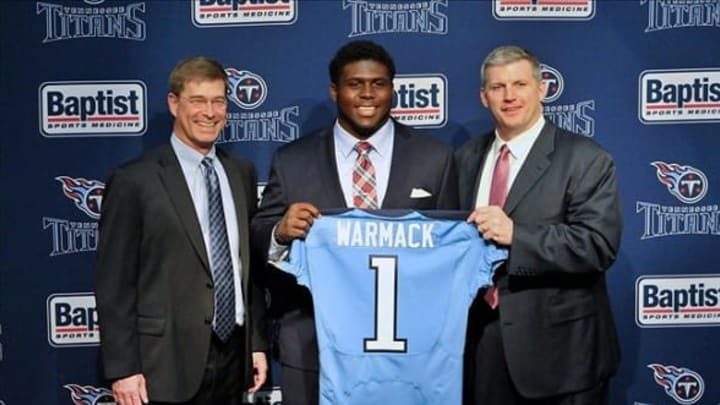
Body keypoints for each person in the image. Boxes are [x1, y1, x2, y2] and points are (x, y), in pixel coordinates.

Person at [251, 40, 459, 405]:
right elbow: (256, 237)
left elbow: (451, 256)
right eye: (355, 84)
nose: (367, 94)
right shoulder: (293, 160)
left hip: (411, 350)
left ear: (393, 89)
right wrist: (280, 232)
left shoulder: (435, 159)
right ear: (334, 91)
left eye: (378, 84)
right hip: (314, 344)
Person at [95, 56, 268, 405]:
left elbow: (247, 271)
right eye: (198, 100)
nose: (210, 112)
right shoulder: (135, 180)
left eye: (218, 101)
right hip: (164, 363)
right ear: (174, 104)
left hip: (233, 355)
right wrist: (123, 368)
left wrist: (257, 343)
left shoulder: (241, 174)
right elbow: (113, 282)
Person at [456, 45, 622, 405]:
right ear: (484, 97)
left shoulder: (586, 158)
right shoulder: (466, 158)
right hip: (484, 349)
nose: (510, 96)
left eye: (520, 84)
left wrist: (517, 235)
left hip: (563, 359)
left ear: (542, 88)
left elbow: (597, 245)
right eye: (498, 87)